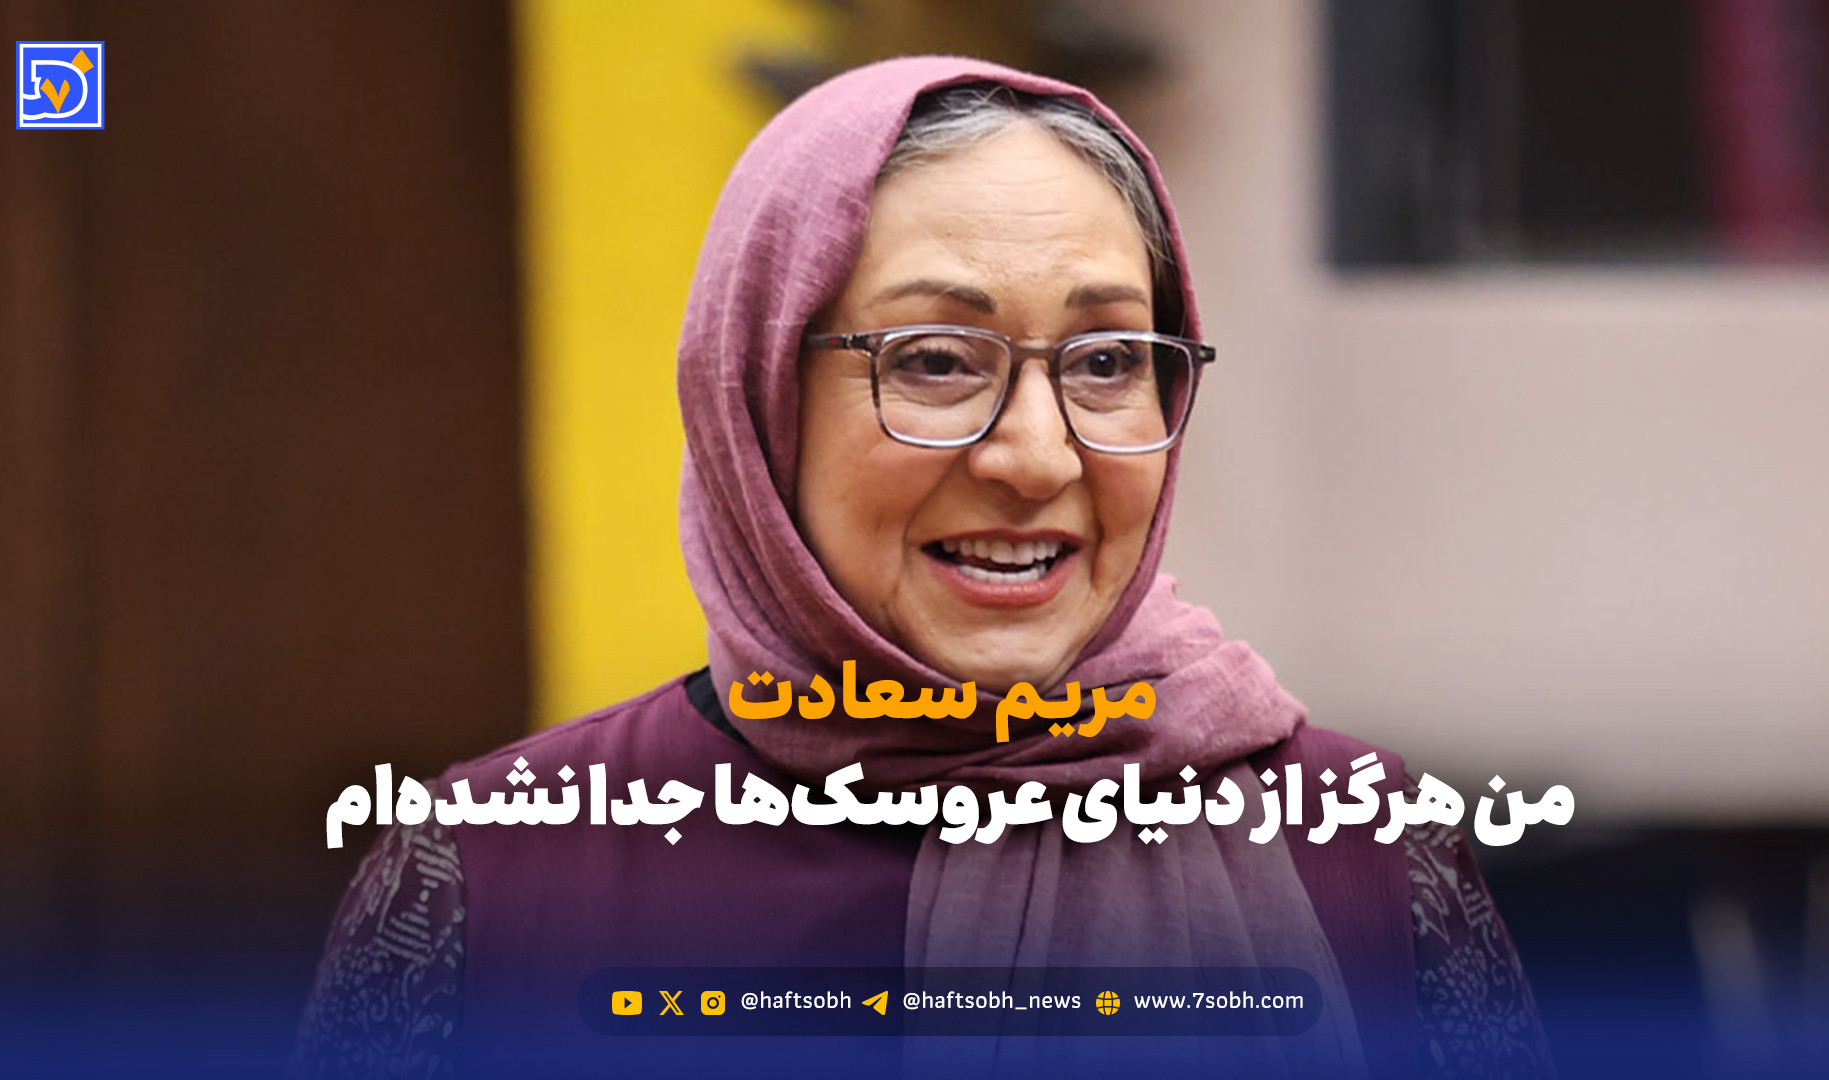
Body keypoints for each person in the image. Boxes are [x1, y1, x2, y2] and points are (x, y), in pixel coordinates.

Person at [289, 56, 1551, 1080]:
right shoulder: (494, 877)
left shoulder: (1363, 851)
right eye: (937, 361)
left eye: (1108, 362)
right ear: (759, 398)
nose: (1037, 457)